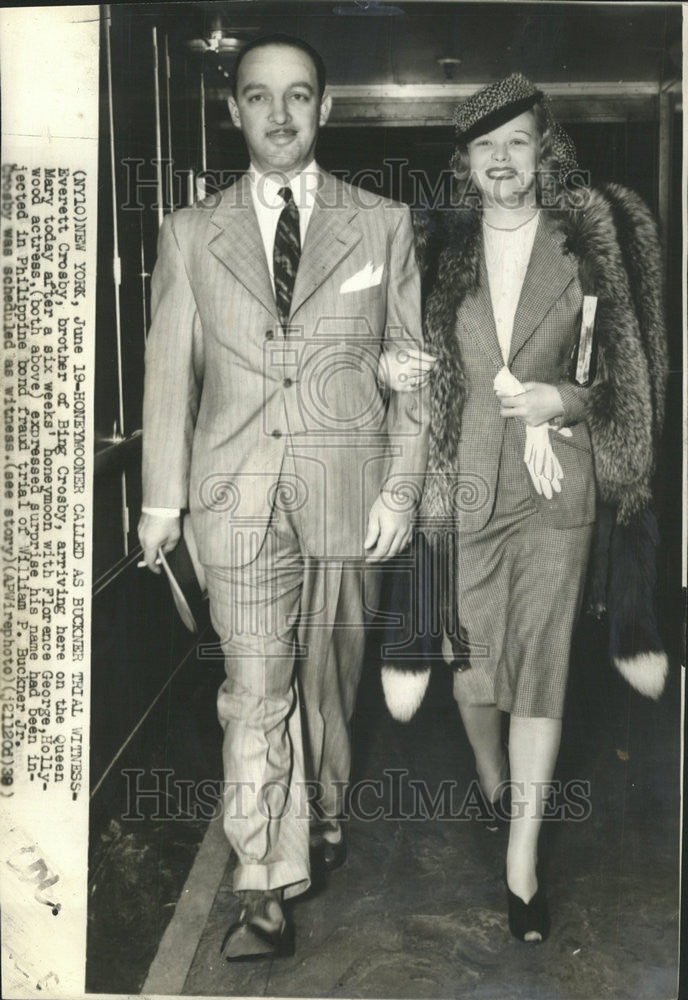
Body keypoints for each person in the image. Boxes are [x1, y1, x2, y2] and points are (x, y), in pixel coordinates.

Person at [138, 34, 429, 960]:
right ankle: (264, 885)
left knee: (328, 693)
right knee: (254, 692)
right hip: (237, 501)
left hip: (351, 497)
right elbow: (166, 381)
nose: (278, 115)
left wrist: (402, 485)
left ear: (325, 110)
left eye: (297, 96)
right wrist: (160, 504)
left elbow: (415, 373)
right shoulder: (189, 235)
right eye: (258, 97)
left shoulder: (381, 224)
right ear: (234, 111)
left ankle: (328, 813)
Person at [379, 73, 667, 942]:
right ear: (464, 162)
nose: (502, 160)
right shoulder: (433, 253)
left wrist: (561, 404)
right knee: (473, 671)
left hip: (555, 492)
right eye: (485, 145)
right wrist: (389, 368)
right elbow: (388, 352)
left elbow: (618, 376)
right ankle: (489, 774)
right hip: (461, 492)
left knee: (540, 664)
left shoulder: (588, 246)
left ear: (545, 148)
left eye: (518, 142)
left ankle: (523, 861)